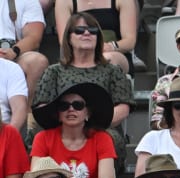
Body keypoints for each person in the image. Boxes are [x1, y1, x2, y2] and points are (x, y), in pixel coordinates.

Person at [34, 12, 133, 167]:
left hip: (101, 130)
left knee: (110, 139)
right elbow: (42, 106)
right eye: (80, 30)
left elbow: (123, 108)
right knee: (40, 137)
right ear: (68, 38)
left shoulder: (112, 70)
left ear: (98, 37)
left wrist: (90, 126)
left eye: (93, 31)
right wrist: (70, 127)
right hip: (62, 131)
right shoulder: (54, 71)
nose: (87, 33)